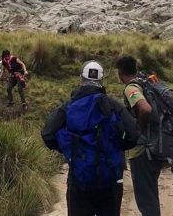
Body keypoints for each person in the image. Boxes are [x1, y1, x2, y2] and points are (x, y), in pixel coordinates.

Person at [41, 61, 138, 216]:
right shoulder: (114, 106)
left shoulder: (68, 106)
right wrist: (116, 147)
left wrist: (69, 150)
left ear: (81, 78)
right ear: (101, 80)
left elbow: (47, 134)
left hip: (79, 180)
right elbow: (133, 135)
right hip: (110, 179)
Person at [116, 56, 162, 216]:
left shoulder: (131, 88)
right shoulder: (147, 82)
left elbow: (146, 109)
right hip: (157, 145)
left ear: (120, 73)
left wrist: (138, 131)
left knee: (146, 199)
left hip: (143, 150)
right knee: (151, 193)